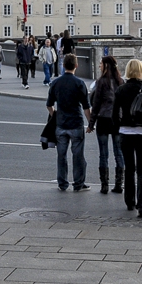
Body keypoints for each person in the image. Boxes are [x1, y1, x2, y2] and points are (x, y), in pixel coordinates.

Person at [113, 59, 142, 218]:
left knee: (129, 169)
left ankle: (129, 201)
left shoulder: (121, 90)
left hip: (126, 133)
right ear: (141, 71)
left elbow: (114, 115)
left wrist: (120, 128)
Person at [47, 53, 92, 192]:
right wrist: (90, 123)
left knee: (61, 155)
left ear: (64, 65)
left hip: (61, 124)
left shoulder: (56, 82)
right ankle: (78, 183)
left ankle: (62, 183)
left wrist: (55, 115)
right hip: (76, 123)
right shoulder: (79, 83)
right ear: (76, 66)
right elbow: (85, 107)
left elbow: (49, 104)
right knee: (78, 155)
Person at [87, 55, 124, 194]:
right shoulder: (121, 82)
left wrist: (91, 124)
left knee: (103, 154)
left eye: (101, 64)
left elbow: (95, 105)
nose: (99, 66)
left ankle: (104, 185)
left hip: (103, 119)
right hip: (117, 120)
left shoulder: (101, 82)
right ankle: (119, 184)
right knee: (118, 153)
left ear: (106, 66)